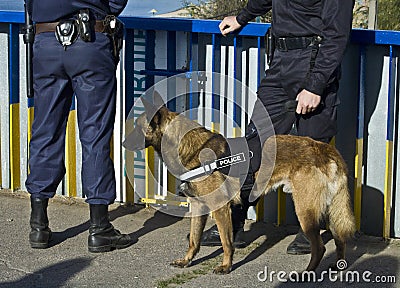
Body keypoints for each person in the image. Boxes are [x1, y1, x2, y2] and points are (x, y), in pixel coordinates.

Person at [199, 0, 355, 254]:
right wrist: (242, 17)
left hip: (314, 63)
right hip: (281, 62)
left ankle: (310, 231)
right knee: (255, 145)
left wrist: (315, 86)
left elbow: (337, 36)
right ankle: (235, 223)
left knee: (311, 151)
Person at [25, 0, 131, 252]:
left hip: (46, 40)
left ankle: (38, 226)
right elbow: (116, 2)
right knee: (94, 135)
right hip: (90, 41)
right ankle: (99, 229)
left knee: (45, 132)